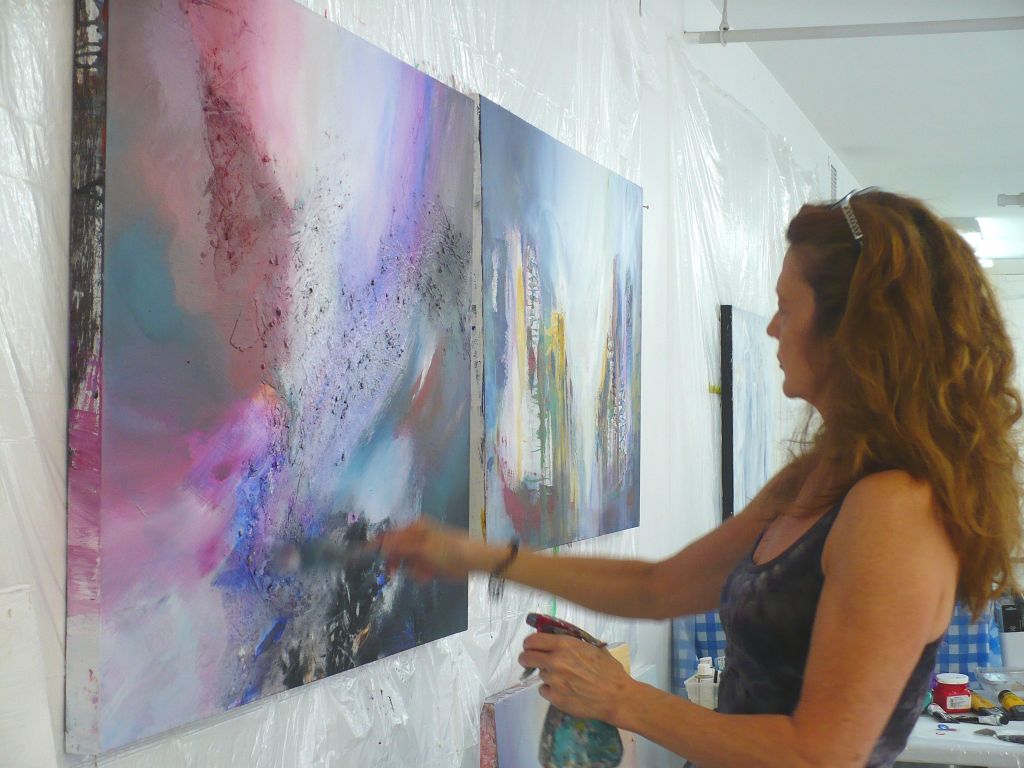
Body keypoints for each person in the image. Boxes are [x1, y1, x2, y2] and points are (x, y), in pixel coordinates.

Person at [377, 189, 1023, 768]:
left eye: (786, 308)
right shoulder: (819, 477)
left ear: (852, 330)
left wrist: (621, 697)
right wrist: (482, 557)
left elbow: (822, 754)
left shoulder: (897, 510)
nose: (772, 327)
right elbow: (658, 588)